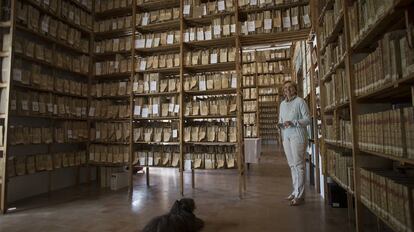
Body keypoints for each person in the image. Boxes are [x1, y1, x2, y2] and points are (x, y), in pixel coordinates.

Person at [278, 80, 311, 206]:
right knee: (292, 165)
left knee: (299, 165)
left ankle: (300, 195)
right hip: (286, 137)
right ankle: (295, 190)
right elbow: (281, 120)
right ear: (283, 91)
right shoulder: (282, 104)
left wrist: (294, 122)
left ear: (295, 89)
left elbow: (307, 119)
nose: (287, 89)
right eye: (285, 88)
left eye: (290, 87)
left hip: (298, 136)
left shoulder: (300, 102)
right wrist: (280, 126)